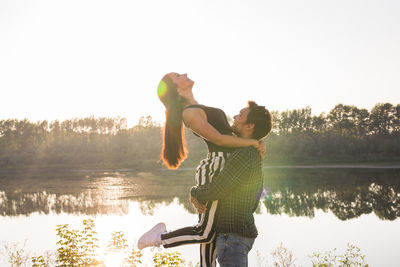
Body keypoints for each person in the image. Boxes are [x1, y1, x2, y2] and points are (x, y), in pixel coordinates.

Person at [137, 72, 266, 267]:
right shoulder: (189, 113)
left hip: (222, 165)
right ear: (175, 89)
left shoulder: (198, 107)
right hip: (215, 167)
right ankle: (160, 237)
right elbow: (219, 139)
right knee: (206, 233)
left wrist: (256, 141)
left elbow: (228, 134)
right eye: (178, 76)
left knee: (210, 236)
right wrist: (252, 143)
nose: (185, 74)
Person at [190, 101, 272, 266]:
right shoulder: (249, 152)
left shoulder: (244, 155)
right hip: (238, 235)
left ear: (249, 126)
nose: (234, 117)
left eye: (240, 115)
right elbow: (261, 193)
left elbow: (217, 189)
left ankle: (160, 238)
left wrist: (194, 192)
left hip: (232, 237)